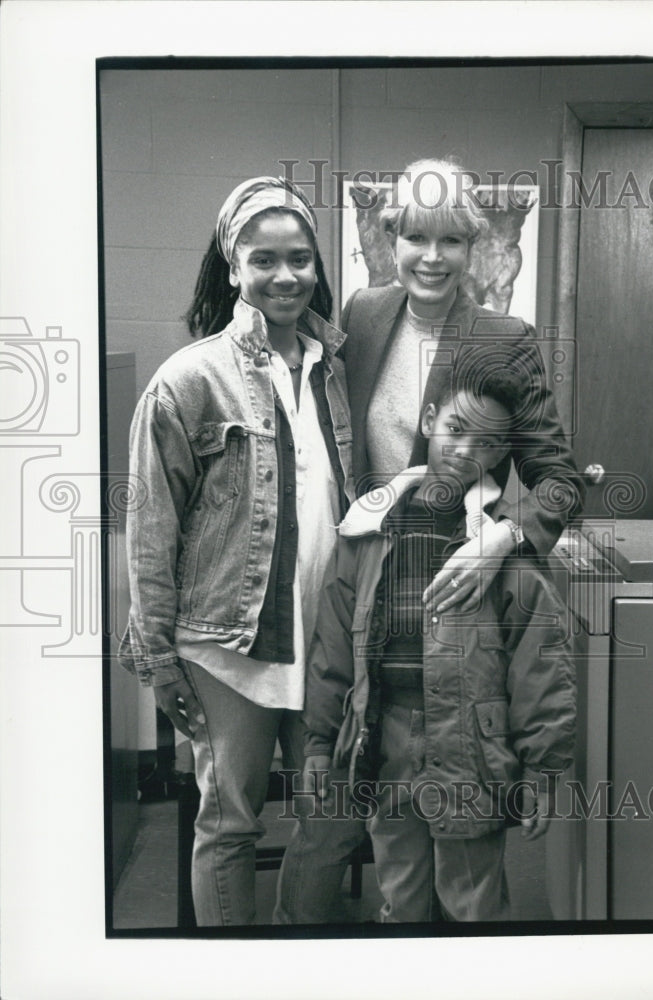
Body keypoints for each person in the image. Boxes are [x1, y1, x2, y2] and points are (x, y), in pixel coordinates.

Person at [274, 157, 583, 923]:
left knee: (466, 853)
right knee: (375, 835)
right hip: (371, 585)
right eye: (415, 236)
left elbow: (559, 481)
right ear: (392, 239)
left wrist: (504, 538)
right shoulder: (365, 313)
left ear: (475, 244)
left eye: (450, 239)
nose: (432, 256)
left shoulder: (505, 339)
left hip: (461, 597)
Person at [118, 176, 354, 926]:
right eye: (264, 260)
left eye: (300, 259)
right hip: (229, 651)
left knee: (334, 819)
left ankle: (291, 952)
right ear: (232, 267)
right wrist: (158, 660)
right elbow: (152, 534)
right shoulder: (187, 381)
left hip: (323, 645)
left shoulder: (335, 373)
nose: (285, 276)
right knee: (229, 825)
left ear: (318, 265)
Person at [298, 371, 577, 921]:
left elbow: (540, 669)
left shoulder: (505, 551)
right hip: (383, 737)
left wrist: (543, 771)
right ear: (429, 422)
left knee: (472, 901)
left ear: (504, 452)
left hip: (470, 745)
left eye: (491, 442)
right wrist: (317, 741)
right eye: (456, 428)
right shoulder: (367, 532)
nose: (468, 450)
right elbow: (332, 649)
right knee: (400, 896)